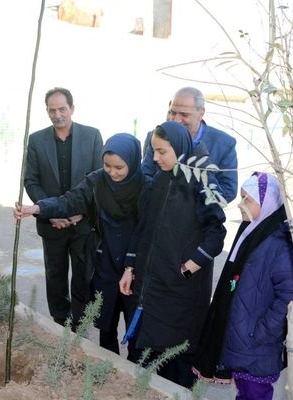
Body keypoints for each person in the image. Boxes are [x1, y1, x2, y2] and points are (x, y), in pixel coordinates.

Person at [16, 133, 150, 361]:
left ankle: (135, 373)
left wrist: (131, 265)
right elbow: (70, 201)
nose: (112, 172)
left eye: (119, 167)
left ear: (133, 161)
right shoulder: (97, 180)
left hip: (135, 262)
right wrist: (38, 208)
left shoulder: (146, 187)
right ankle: (107, 366)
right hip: (105, 259)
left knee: (135, 324)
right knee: (105, 319)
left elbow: (146, 230)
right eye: (107, 165)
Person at [120, 121, 227, 388]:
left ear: (179, 148)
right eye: (153, 151)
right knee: (145, 358)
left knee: (175, 362)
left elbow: (217, 232)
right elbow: (143, 227)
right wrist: (130, 267)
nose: (155, 158)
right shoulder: (159, 179)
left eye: (162, 152)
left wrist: (191, 265)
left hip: (181, 293)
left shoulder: (202, 181)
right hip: (150, 287)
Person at [192, 172, 293, 399]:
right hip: (244, 339)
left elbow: (288, 298)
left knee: (255, 394)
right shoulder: (251, 232)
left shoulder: (280, 244)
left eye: (247, 199)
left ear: (267, 201)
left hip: (256, 344)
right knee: (245, 393)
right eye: (241, 198)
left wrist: (258, 334)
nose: (240, 205)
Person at [24, 87, 103, 327]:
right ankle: (60, 322)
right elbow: (31, 180)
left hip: (82, 224)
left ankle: (80, 326)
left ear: (72, 108)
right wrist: (50, 214)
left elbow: (98, 179)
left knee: (83, 276)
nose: (57, 114)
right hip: (52, 225)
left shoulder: (92, 136)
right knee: (55, 275)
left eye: (62, 109)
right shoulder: (37, 140)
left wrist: (80, 213)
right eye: (52, 109)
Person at [141, 87, 238, 202]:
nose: (176, 120)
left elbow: (228, 192)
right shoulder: (155, 136)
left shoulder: (224, 144)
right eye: (172, 112)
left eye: (184, 114)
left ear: (201, 113)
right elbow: (144, 179)